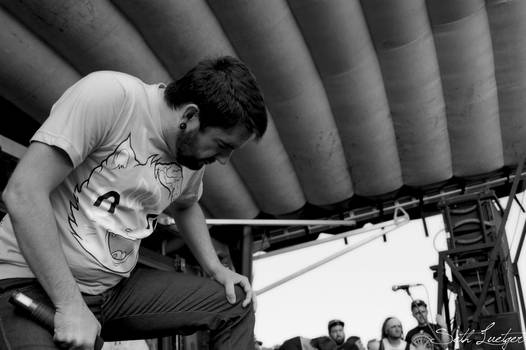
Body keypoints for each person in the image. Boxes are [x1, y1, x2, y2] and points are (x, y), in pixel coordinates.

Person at [0, 56, 267, 349]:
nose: (224, 160)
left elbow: (187, 205)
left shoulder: (190, 157)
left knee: (235, 303)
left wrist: (217, 268)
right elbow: (23, 193)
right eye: (223, 145)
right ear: (190, 117)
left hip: (111, 294)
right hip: (30, 282)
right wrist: (70, 305)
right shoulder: (111, 97)